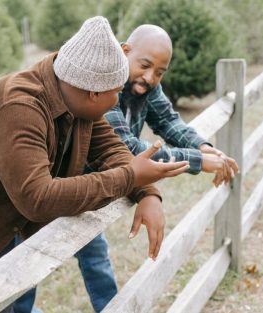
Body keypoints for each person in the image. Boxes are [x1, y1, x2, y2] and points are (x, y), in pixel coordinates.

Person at [0, 17, 190, 313]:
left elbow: (112, 149)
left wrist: (147, 192)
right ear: (94, 91)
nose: (116, 101)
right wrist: (129, 178)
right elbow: (38, 198)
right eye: (115, 92)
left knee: (0, 305)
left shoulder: (77, 96)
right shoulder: (19, 108)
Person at [14, 25, 239, 313]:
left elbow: (168, 121)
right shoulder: (104, 85)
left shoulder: (147, 86)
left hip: (95, 191)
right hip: (63, 184)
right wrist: (198, 161)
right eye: (144, 66)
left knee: (96, 258)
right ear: (124, 52)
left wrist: (203, 146)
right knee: (28, 260)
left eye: (159, 72)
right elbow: (128, 147)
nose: (150, 77)